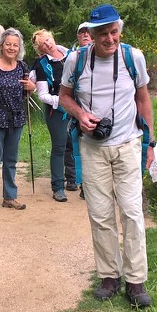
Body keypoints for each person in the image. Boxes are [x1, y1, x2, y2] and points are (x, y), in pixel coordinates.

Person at [59, 5, 155, 308]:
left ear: (119, 31)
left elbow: (143, 99)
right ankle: (109, 277)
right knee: (100, 215)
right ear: (91, 33)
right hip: (92, 147)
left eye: (114, 32)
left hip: (128, 144)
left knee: (132, 212)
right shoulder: (76, 60)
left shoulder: (132, 57)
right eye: (103, 33)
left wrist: (150, 142)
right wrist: (80, 114)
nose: (109, 39)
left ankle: (136, 282)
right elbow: (64, 97)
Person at [0, 27, 33, 213]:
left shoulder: (23, 67)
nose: (11, 48)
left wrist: (31, 87)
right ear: (1, 45)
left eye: (15, 45)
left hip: (15, 118)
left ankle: (10, 197)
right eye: (8, 44)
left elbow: (27, 91)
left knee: (11, 159)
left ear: (20, 48)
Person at [29, 29, 72, 202]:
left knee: (76, 143)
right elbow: (42, 95)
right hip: (57, 110)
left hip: (79, 106)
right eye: (43, 44)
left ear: (53, 37)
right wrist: (61, 101)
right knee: (60, 146)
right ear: (40, 49)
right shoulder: (41, 65)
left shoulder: (72, 55)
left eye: (48, 39)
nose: (48, 44)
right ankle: (58, 187)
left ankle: (74, 180)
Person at [67, 22, 93, 197]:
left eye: (88, 32)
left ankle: (90, 186)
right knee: (76, 148)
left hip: (99, 111)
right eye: (81, 33)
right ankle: (78, 182)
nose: (85, 35)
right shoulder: (72, 57)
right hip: (76, 110)